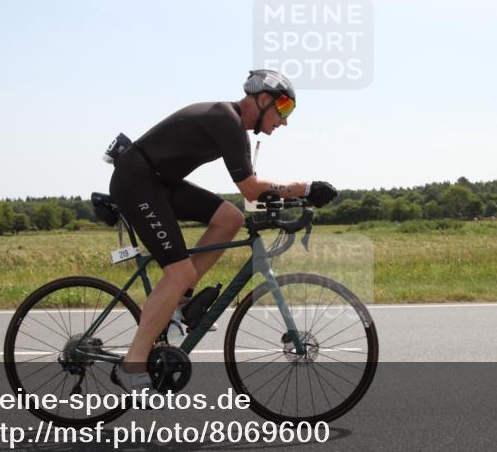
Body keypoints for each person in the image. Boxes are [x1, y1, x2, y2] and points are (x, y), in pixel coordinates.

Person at [108, 70, 338, 389]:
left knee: (229, 218)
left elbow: (253, 192)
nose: (284, 120)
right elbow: (251, 188)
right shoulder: (226, 120)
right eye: (284, 108)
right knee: (179, 274)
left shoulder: (233, 126)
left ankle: (176, 306)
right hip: (138, 182)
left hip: (158, 183)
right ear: (263, 99)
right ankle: (131, 367)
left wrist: (294, 198)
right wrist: (305, 188)